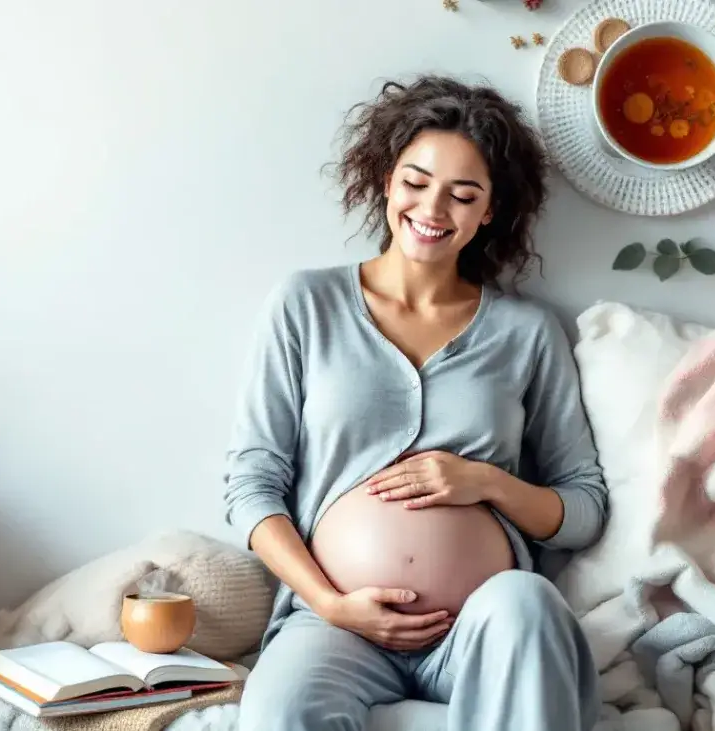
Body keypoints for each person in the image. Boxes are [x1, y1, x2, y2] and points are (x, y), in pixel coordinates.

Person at [223, 75, 608, 731]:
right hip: (334, 622)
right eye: (416, 181)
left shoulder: (527, 333)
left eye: (464, 194)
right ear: (386, 180)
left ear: (488, 211)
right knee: (277, 710)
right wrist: (330, 601)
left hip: (479, 630)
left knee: (529, 603)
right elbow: (252, 485)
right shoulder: (305, 305)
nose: (433, 208)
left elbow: (583, 507)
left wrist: (485, 480)